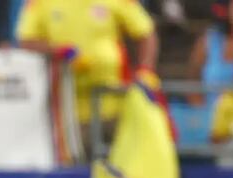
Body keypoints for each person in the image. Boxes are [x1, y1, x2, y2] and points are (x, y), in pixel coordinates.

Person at [17, 0, 158, 138]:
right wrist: (58, 51)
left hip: (114, 101)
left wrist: (145, 70)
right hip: (65, 107)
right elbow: (26, 41)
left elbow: (146, 33)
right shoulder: (39, 2)